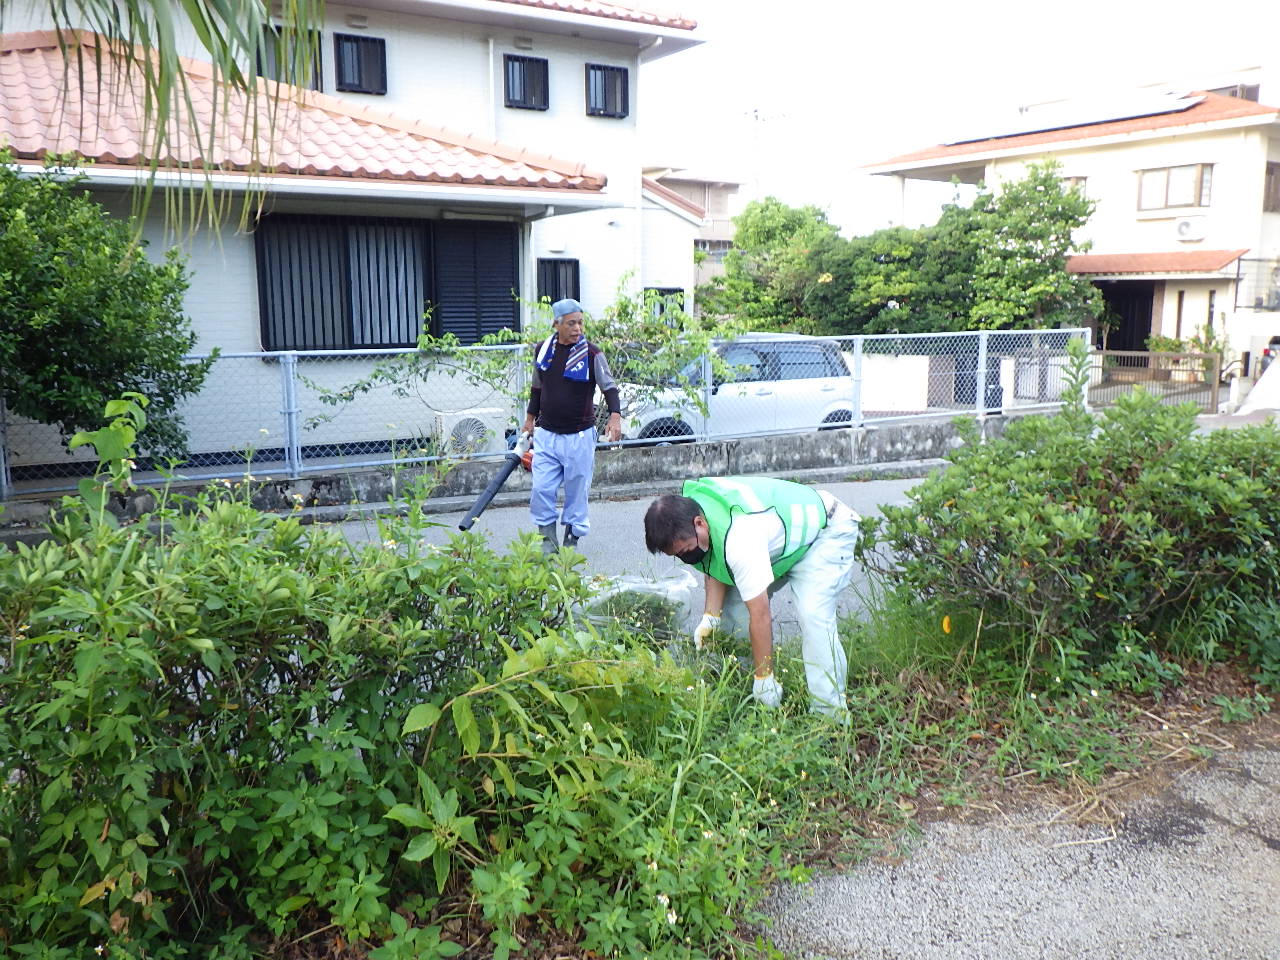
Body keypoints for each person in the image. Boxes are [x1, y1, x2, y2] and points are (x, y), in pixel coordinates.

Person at [643, 476, 860, 717]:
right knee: (732, 613)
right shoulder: (697, 511)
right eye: (678, 555)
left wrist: (764, 677)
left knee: (814, 616)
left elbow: (760, 614)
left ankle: (829, 715)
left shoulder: (740, 538)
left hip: (823, 531)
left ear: (699, 523)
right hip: (778, 543)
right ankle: (743, 691)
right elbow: (715, 562)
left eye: (686, 550)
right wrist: (711, 617)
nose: (687, 557)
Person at [523, 298, 623, 552]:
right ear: (556, 324)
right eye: (571, 323)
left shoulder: (591, 353)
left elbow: (609, 387)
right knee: (541, 489)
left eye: (580, 322)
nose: (577, 328)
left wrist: (615, 416)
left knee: (576, 493)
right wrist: (530, 419)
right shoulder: (543, 351)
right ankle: (548, 545)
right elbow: (537, 388)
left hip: (579, 436)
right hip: (547, 434)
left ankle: (570, 544)